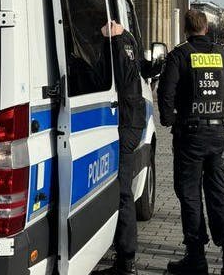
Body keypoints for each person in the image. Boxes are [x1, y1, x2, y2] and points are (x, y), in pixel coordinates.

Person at [158, 9, 224, 275]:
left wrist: (169, 120)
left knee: (190, 195)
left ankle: (196, 257)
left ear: (186, 28)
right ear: (207, 27)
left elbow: (165, 92)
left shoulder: (180, 54)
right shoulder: (222, 54)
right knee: (219, 192)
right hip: (218, 134)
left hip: (190, 134)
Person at [94, 20, 146, 275]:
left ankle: (126, 261)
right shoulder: (130, 42)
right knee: (121, 190)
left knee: (123, 191)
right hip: (129, 122)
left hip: (125, 123)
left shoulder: (123, 44)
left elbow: (124, 78)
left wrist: (115, 39)